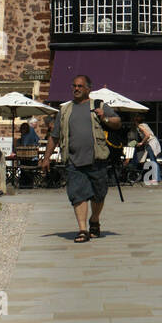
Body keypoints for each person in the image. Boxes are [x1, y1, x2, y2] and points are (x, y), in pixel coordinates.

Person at [41, 74, 123, 243]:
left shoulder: (98, 105)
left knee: (99, 195)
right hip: (73, 161)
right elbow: (54, 136)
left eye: (80, 86)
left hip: (97, 159)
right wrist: (46, 157)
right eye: (74, 86)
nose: (76, 89)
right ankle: (82, 229)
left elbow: (117, 122)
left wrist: (104, 117)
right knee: (78, 195)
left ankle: (94, 219)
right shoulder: (65, 110)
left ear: (88, 89)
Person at [133, 119, 162, 185]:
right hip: (154, 142)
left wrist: (141, 143)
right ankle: (157, 178)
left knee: (153, 161)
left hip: (150, 143)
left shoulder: (140, 126)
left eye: (134, 121)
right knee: (154, 160)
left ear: (136, 122)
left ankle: (155, 179)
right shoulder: (145, 124)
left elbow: (147, 135)